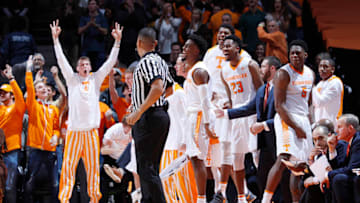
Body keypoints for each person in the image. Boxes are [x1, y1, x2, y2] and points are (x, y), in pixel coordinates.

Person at [51, 19, 122, 202]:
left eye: (87, 65)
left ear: (90, 67)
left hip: (91, 133)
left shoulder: (96, 80)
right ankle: (65, 199)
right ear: (76, 68)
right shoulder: (71, 79)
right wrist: (56, 39)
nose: (84, 67)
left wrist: (117, 42)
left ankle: (94, 199)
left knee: (93, 168)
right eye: (81, 65)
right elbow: (60, 60)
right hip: (74, 132)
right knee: (68, 167)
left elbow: (110, 62)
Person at [215, 56, 283, 200]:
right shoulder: (263, 90)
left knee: (281, 178)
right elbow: (249, 108)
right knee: (263, 176)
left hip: (280, 138)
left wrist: (263, 125)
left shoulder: (282, 88)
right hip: (264, 139)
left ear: (272, 69)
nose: (259, 70)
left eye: (263, 67)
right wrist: (226, 113)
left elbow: (283, 116)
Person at [261, 40, 315, 203]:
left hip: (302, 118)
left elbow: (309, 102)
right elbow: (279, 105)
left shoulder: (310, 73)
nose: (294, 55)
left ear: (305, 55)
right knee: (284, 157)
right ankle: (266, 199)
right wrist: (295, 127)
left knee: (299, 165)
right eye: (292, 53)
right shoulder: (283, 73)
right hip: (286, 118)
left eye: (298, 53)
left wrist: (309, 123)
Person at [211, 35, 263, 203]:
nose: (224, 49)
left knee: (257, 157)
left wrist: (259, 118)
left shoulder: (250, 64)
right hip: (236, 117)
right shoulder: (223, 70)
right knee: (236, 157)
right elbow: (231, 96)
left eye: (228, 46)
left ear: (237, 48)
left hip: (252, 115)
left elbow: (261, 93)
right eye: (223, 47)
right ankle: (241, 197)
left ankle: (266, 196)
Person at [124, 27, 172, 203]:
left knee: (145, 168)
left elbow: (158, 87)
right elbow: (169, 89)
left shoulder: (146, 62)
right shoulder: (160, 61)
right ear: (156, 44)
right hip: (158, 115)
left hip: (150, 118)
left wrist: (140, 110)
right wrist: (139, 104)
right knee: (150, 168)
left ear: (138, 43)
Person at [182, 34, 215, 203]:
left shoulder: (199, 71)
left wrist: (208, 123)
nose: (184, 49)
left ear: (196, 50)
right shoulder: (195, 70)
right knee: (203, 161)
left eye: (187, 46)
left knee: (197, 159)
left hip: (200, 117)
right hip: (197, 117)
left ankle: (201, 199)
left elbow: (205, 101)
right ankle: (213, 196)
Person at [24, 55, 60, 203]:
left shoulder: (54, 108)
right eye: (40, 88)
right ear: (36, 93)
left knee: (55, 183)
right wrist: (28, 69)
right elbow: (30, 88)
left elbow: (56, 128)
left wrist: (56, 136)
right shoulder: (33, 106)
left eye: (45, 88)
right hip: (36, 149)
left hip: (50, 150)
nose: (44, 89)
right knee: (29, 181)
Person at [320, 114, 360, 203]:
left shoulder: (358, 141)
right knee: (335, 178)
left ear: (350, 128)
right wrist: (332, 149)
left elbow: (351, 168)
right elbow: (340, 167)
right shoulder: (350, 142)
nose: (336, 131)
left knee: (338, 179)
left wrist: (328, 175)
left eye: (339, 127)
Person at [0, 65, 26, 203]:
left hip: (12, 152)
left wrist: (11, 78)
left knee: (10, 186)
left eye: (5, 93)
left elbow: (20, 98)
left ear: (11, 95)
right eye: (0, 93)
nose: (2, 95)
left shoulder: (17, 109)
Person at [78, 0, 109, 70]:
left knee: (99, 69)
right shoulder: (84, 17)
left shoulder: (102, 17)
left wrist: (96, 26)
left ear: (97, 6)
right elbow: (79, 31)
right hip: (87, 47)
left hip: (99, 47)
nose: (91, 6)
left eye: (93, 4)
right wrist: (88, 25)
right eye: (90, 4)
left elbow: (106, 31)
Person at [312, 58, 344, 125]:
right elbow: (314, 103)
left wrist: (312, 86)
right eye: (320, 66)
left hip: (331, 125)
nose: (322, 69)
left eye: (325, 67)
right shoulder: (320, 83)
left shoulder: (335, 82)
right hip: (319, 125)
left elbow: (320, 102)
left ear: (332, 69)